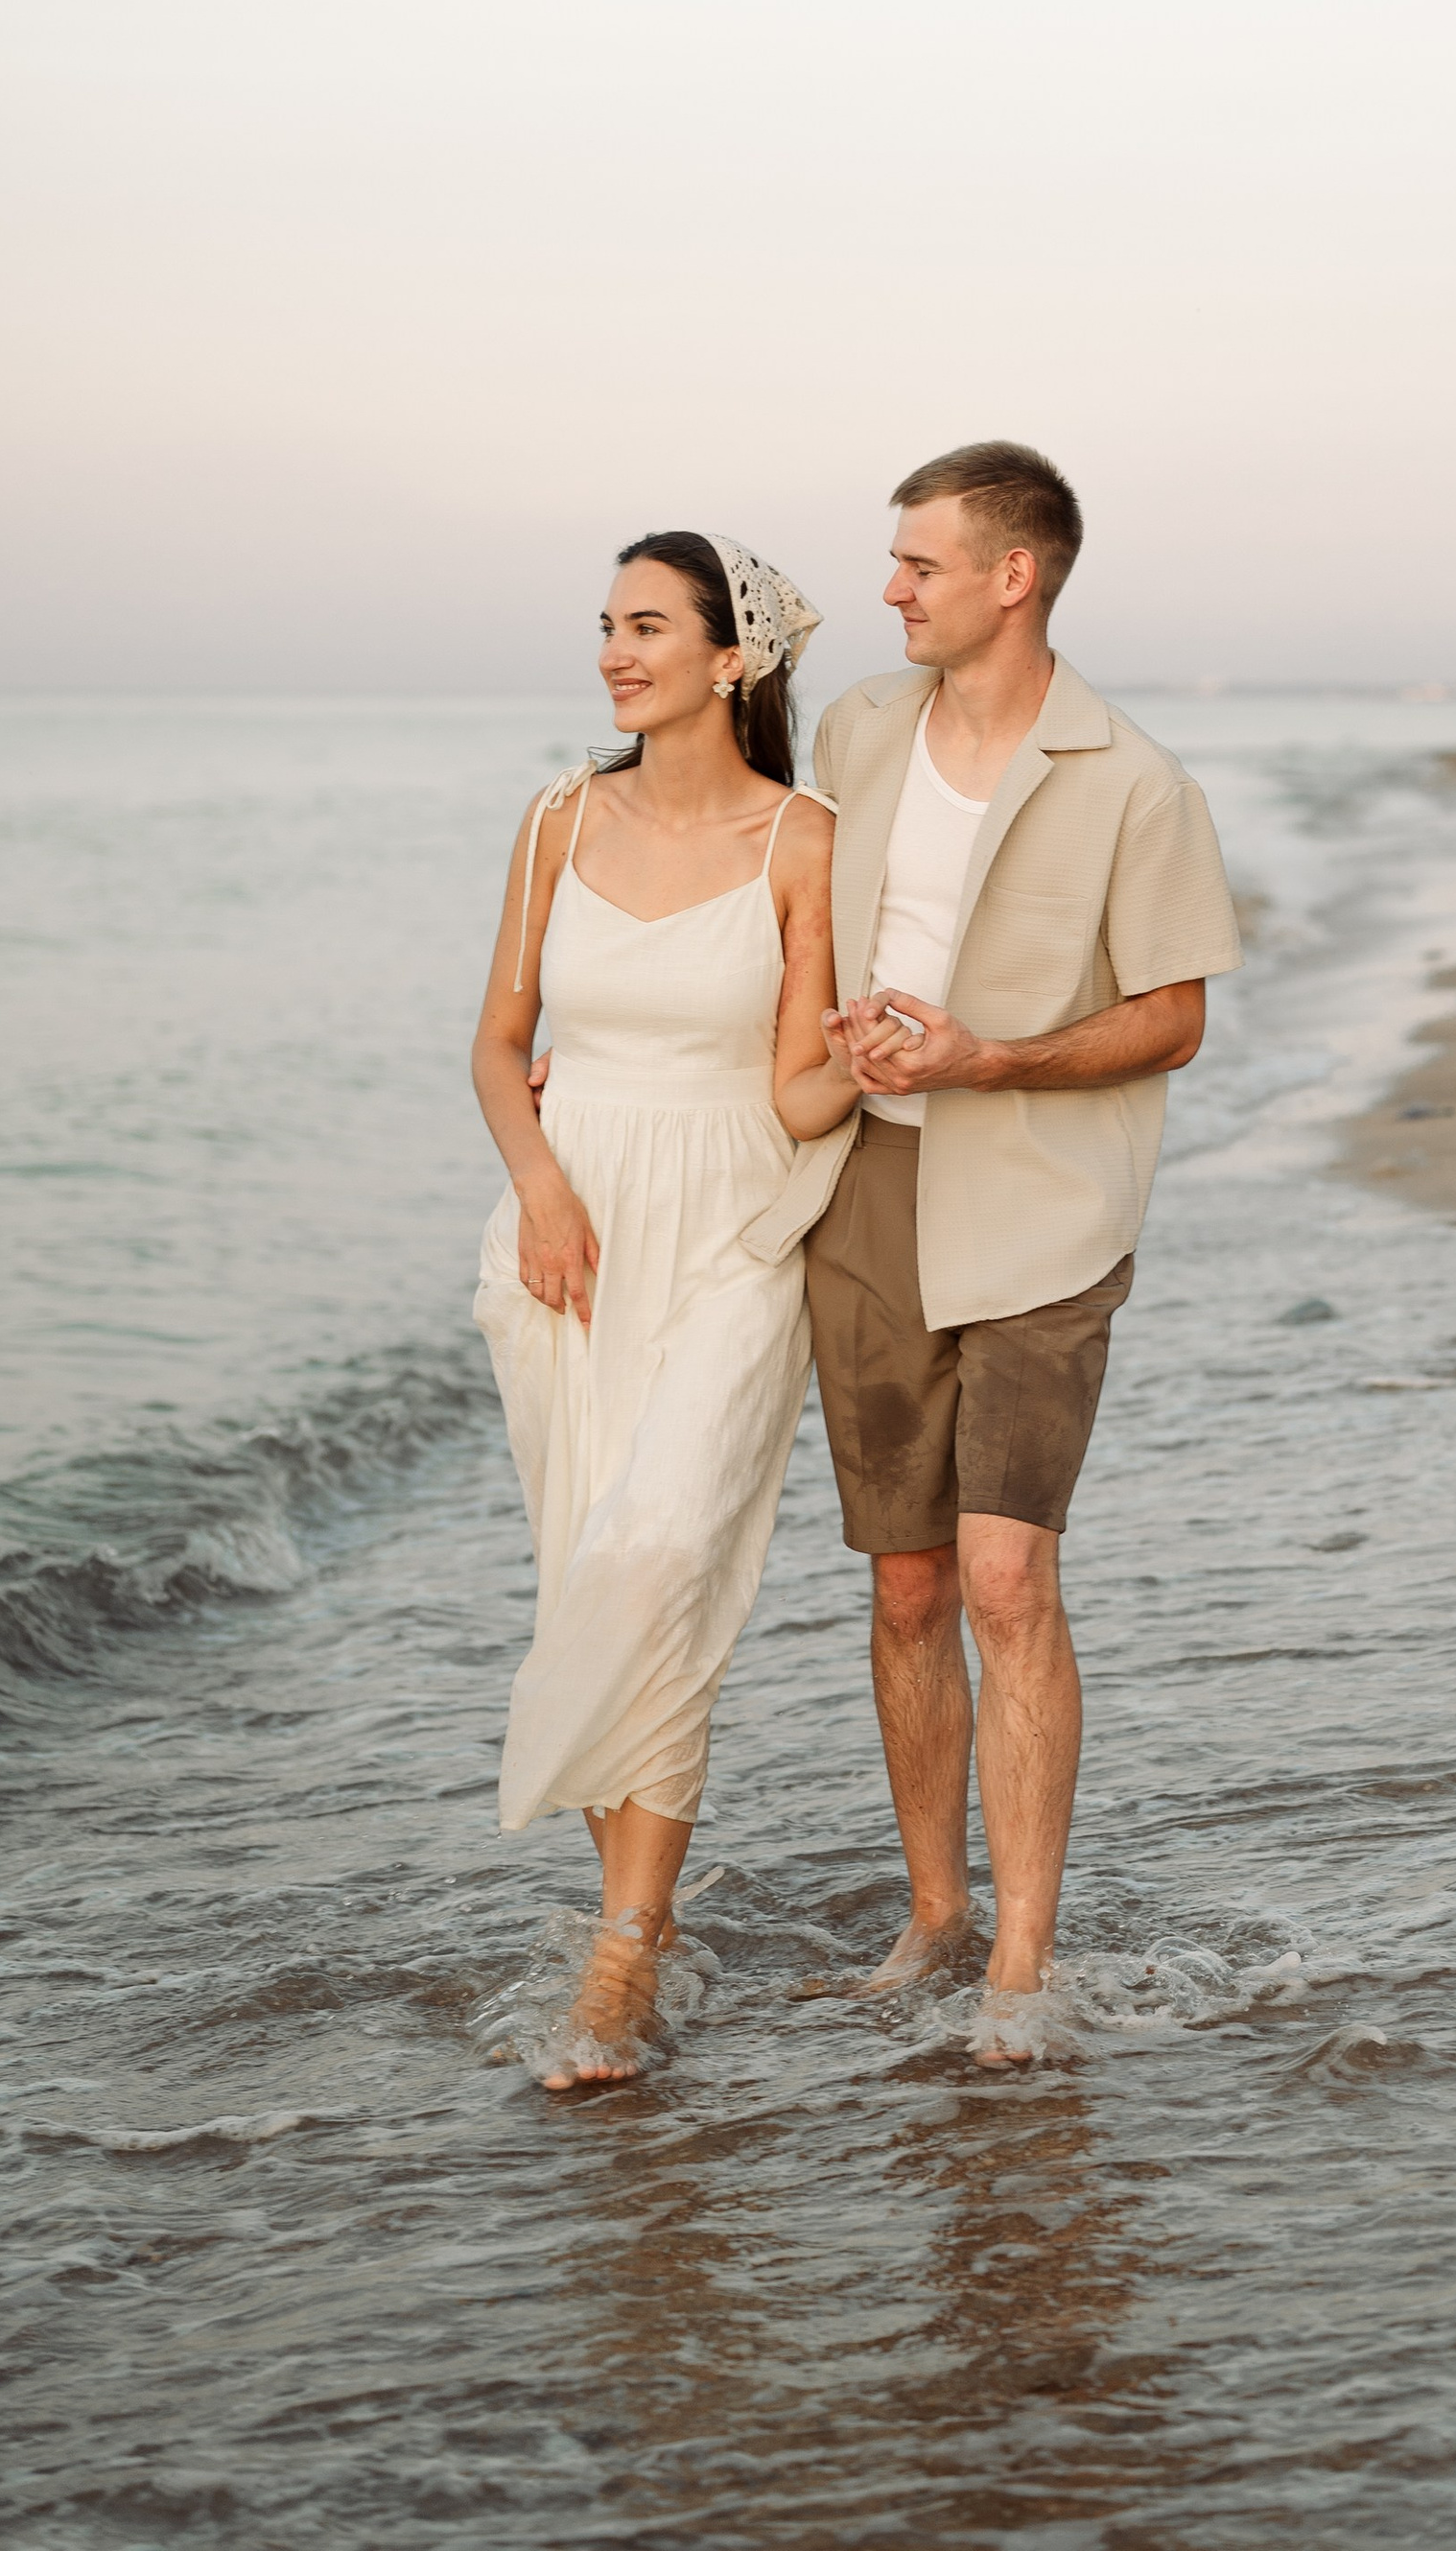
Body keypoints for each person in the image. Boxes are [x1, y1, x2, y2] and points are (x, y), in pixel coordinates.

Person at [745, 441, 1243, 2064]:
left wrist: (989, 1063)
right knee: (904, 1591)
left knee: (1007, 1579)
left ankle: (1023, 1964)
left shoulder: (1134, 779)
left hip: (1041, 1204)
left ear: (1011, 577)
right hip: (867, 1196)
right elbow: (782, 925)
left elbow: (1173, 1018)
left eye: (919, 565)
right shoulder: (856, 730)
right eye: (894, 564)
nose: (889, 589)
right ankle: (936, 1918)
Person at [470, 531, 864, 2089]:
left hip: (732, 1231)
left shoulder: (806, 839)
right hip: (563, 1237)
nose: (617, 654)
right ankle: (632, 1916)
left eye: (649, 626)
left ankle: (623, 1961)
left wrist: (892, 1061)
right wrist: (547, 1189)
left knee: (657, 1558)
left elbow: (797, 1084)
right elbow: (502, 1045)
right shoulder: (557, 821)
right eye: (608, 626)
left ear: (733, 658)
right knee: (589, 1574)